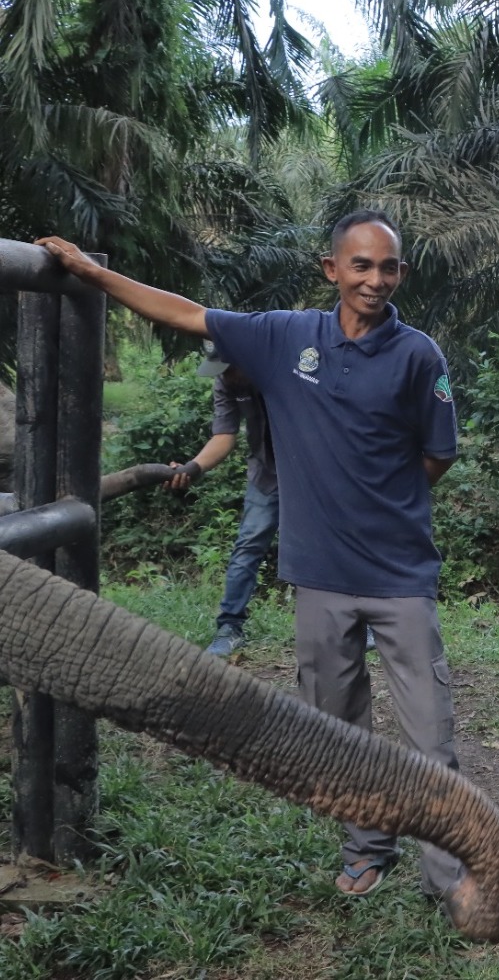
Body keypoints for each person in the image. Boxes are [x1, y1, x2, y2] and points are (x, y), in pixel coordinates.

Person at [38, 212, 467, 909]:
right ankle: (366, 847)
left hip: (400, 577)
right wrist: (93, 273)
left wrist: (381, 505)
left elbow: (437, 454)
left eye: (388, 267)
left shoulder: (419, 355)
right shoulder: (282, 338)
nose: (375, 280)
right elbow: (183, 311)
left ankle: (451, 878)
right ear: (332, 270)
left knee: (431, 732)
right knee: (336, 731)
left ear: (401, 274)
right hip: (318, 577)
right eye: (360, 265)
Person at [168, 343, 279, 657]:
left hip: (310, 473)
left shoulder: (284, 372)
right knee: (248, 545)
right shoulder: (226, 383)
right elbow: (224, 435)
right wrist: (194, 467)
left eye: (230, 369)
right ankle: (229, 628)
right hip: (266, 473)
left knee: (329, 545)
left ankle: (357, 621)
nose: (225, 377)